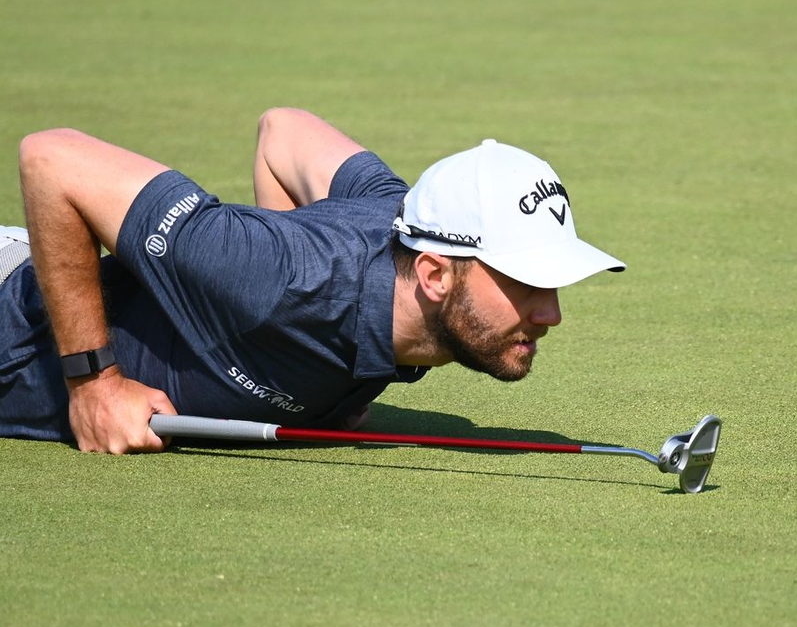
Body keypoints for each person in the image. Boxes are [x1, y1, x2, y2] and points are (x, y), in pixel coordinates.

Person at [1, 108, 624, 452]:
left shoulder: (404, 221)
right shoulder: (274, 274)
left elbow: (284, 129)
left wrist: (261, 334)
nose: (550, 313)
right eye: (525, 283)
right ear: (433, 275)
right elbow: (51, 156)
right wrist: (94, 384)